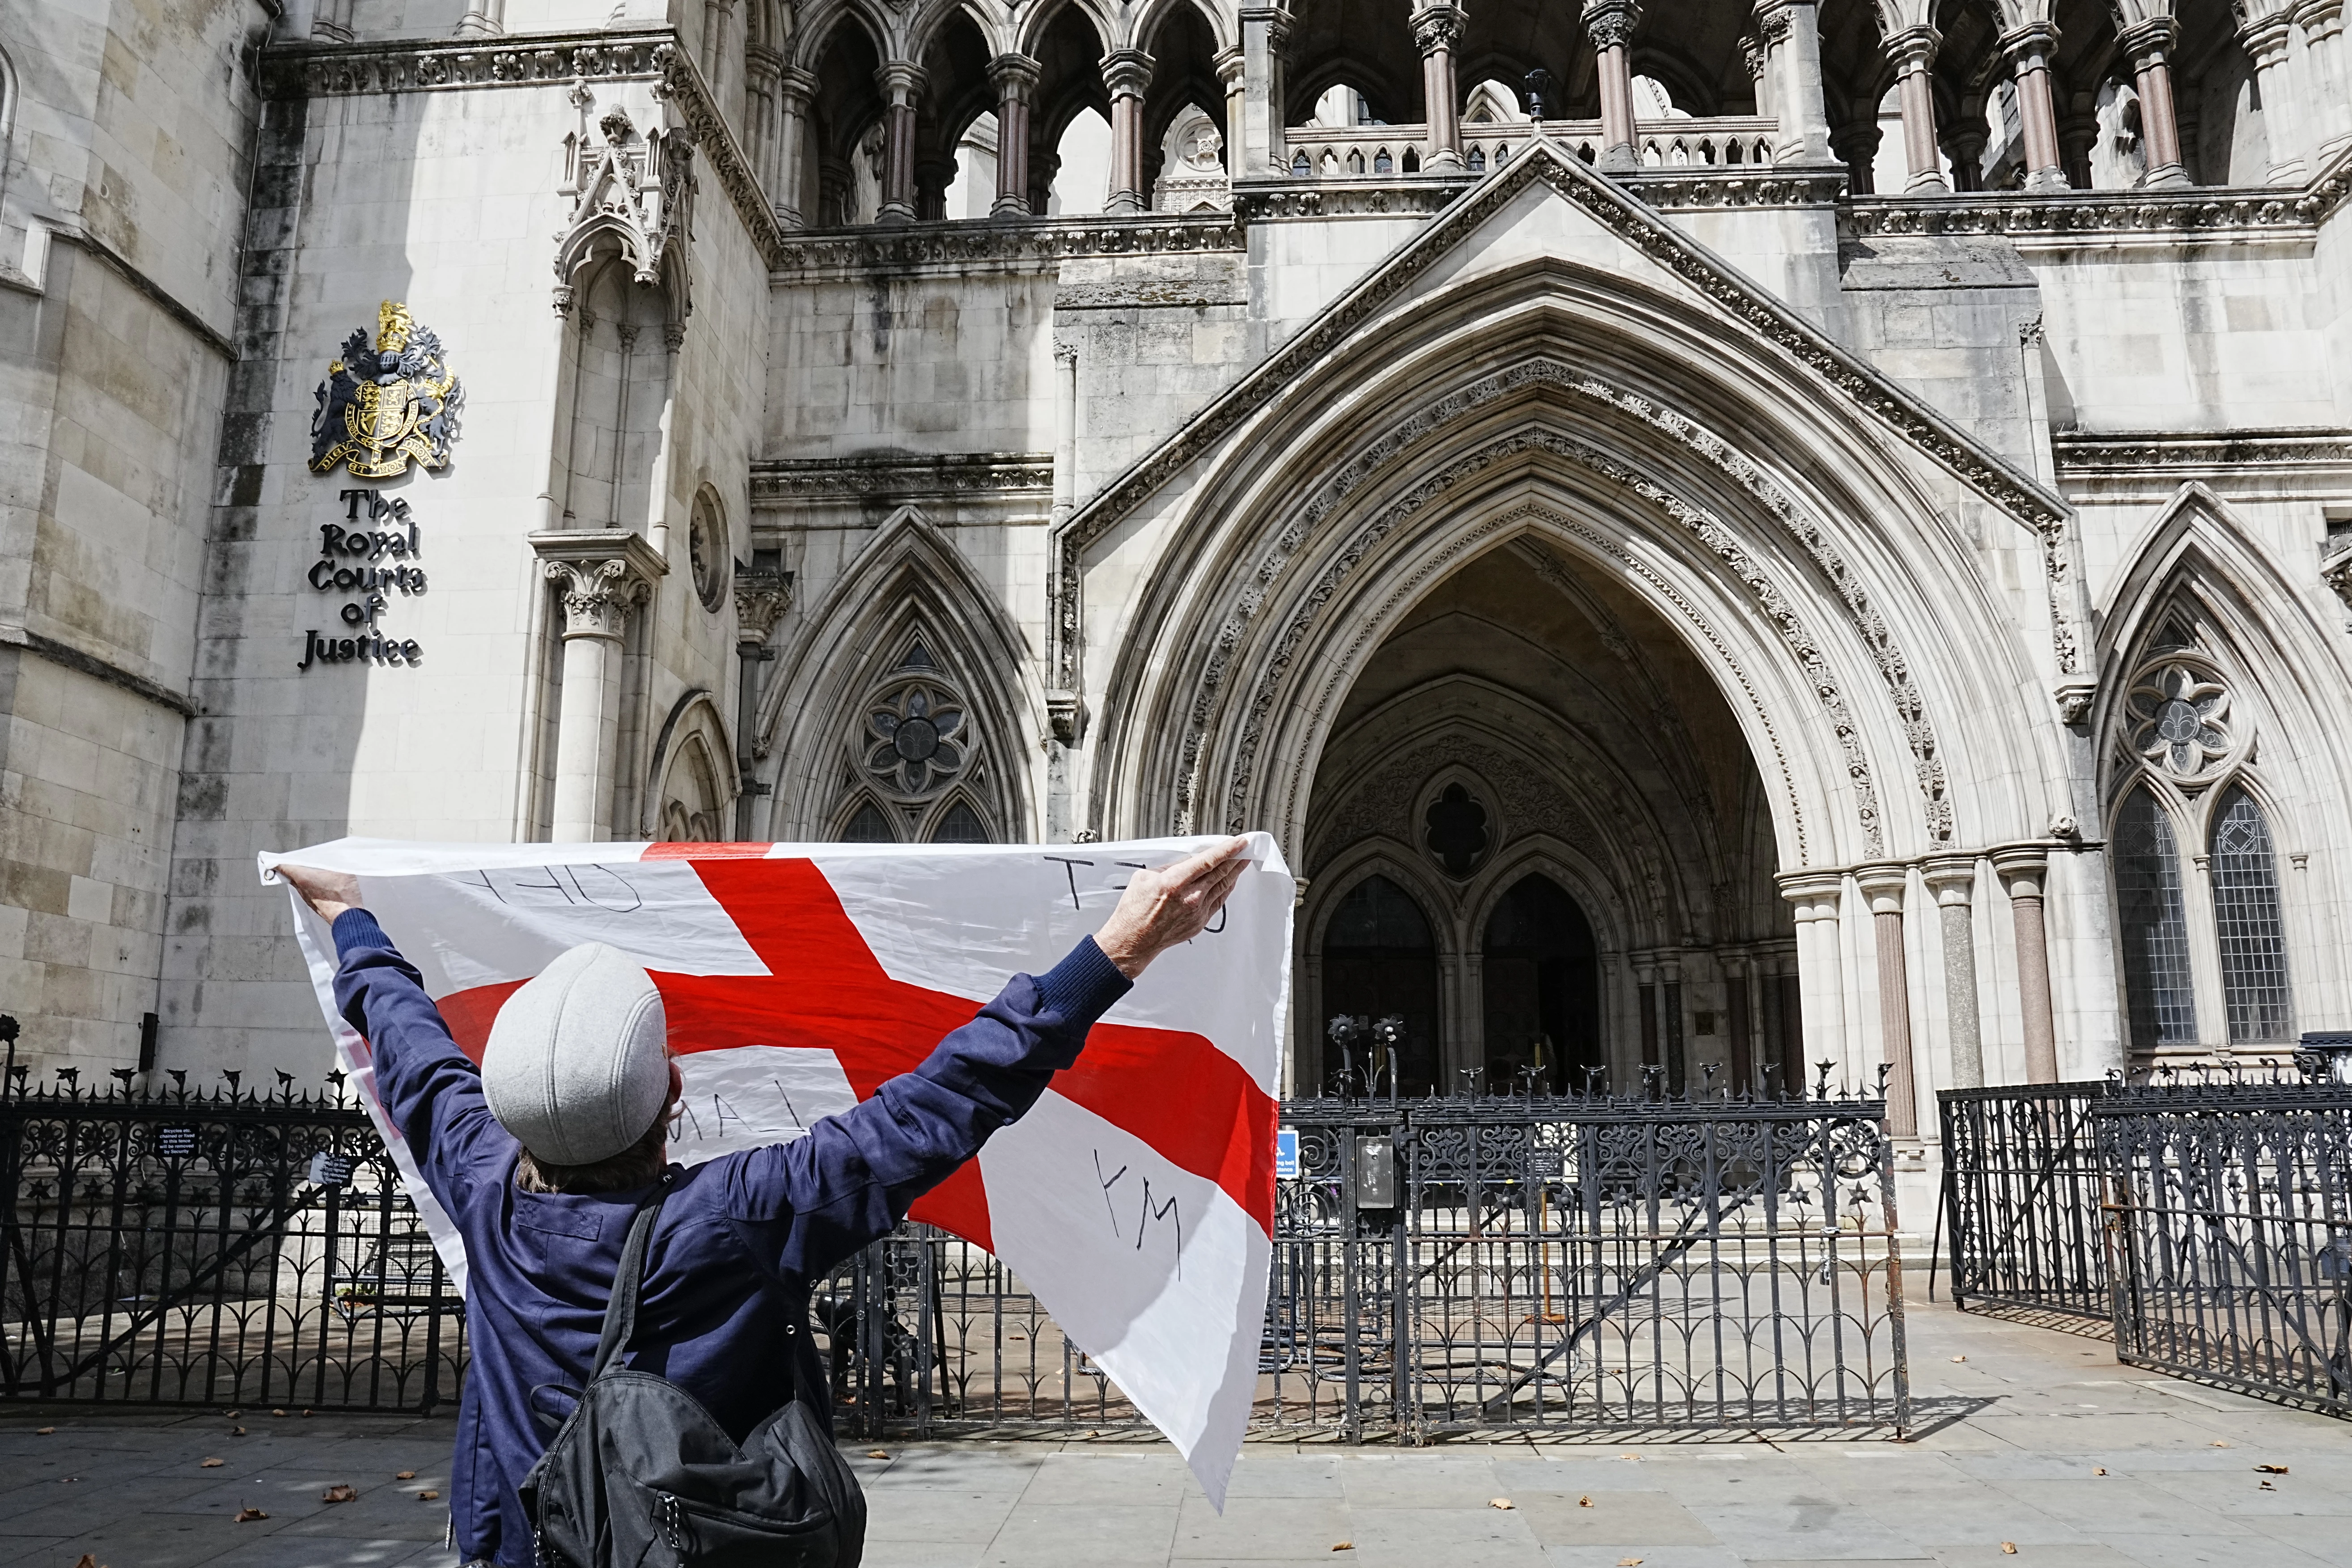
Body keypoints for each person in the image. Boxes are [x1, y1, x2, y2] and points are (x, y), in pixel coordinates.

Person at [275, 839, 1250, 1568]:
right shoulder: (735, 1216)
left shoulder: (479, 1180)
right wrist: (1117, 948)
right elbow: (941, 1102)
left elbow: (409, 1047)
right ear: (672, 1096)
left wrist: (354, 921)